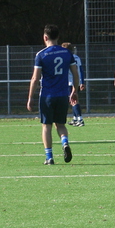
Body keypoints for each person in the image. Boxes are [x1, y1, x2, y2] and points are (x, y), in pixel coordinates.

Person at [27, 25, 78, 165]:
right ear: (58, 37)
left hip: (47, 95)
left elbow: (35, 78)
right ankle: (65, 142)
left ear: (45, 37)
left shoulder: (41, 55)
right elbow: (75, 74)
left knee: (46, 126)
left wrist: (30, 97)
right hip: (63, 95)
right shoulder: (67, 53)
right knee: (60, 124)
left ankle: (49, 157)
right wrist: (74, 91)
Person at [62, 42, 86, 126]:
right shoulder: (76, 57)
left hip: (70, 82)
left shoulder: (66, 58)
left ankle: (80, 119)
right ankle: (75, 118)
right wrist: (82, 82)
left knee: (74, 101)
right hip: (77, 81)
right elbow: (81, 70)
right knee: (74, 99)